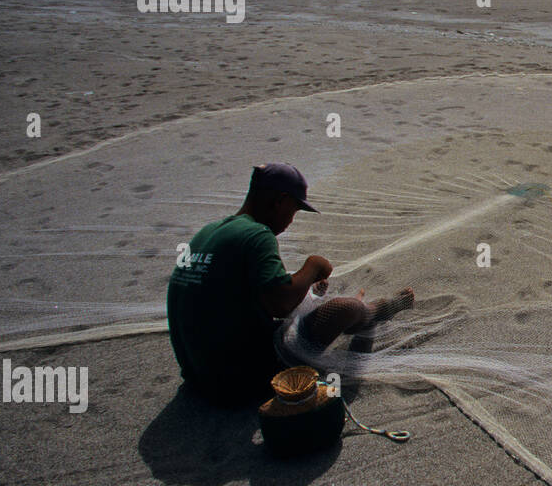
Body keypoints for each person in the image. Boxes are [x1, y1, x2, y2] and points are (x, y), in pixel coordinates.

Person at [167, 162, 413, 405]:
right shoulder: (257, 235)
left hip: (197, 378)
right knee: (345, 308)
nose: (291, 221)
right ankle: (371, 311)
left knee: (305, 299)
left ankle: (351, 309)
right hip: (243, 380)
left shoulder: (207, 232)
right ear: (280, 201)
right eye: (293, 211)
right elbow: (281, 304)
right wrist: (313, 266)